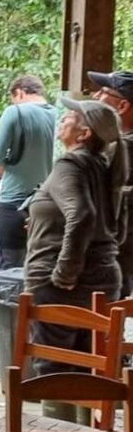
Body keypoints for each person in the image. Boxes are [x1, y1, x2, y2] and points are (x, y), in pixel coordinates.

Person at [23, 98, 125, 423]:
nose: (62, 120)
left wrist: (65, 272)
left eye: (68, 116)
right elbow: (114, 228)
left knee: (54, 369)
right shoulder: (102, 166)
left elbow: (80, 216)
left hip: (65, 286)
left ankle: (59, 429)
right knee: (84, 365)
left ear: (83, 134)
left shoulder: (71, 164)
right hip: (104, 277)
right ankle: (82, 429)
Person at [0, 75, 55, 366]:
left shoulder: (15, 112)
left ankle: (1, 345)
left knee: (7, 271)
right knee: (39, 272)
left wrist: (4, 162)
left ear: (19, 93)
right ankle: (37, 343)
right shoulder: (58, 114)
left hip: (13, 201)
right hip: (46, 202)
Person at [88, 70, 133, 295]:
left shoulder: (122, 148)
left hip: (115, 253)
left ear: (123, 106)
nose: (96, 96)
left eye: (103, 91)